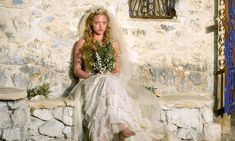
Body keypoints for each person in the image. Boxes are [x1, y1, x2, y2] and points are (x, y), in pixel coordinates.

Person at [70, 6, 177, 141]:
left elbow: (116, 71)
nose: (100, 26)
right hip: (91, 81)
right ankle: (121, 126)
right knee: (105, 82)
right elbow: (77, 69)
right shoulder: (82, 43)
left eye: (103, 22)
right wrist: (94, 76)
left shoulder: (113, 44)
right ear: (91, 24)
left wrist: (106, 75)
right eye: (97, 22)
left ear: (107, 24)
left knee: (108, 81)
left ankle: (110, 129)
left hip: (110, 81)